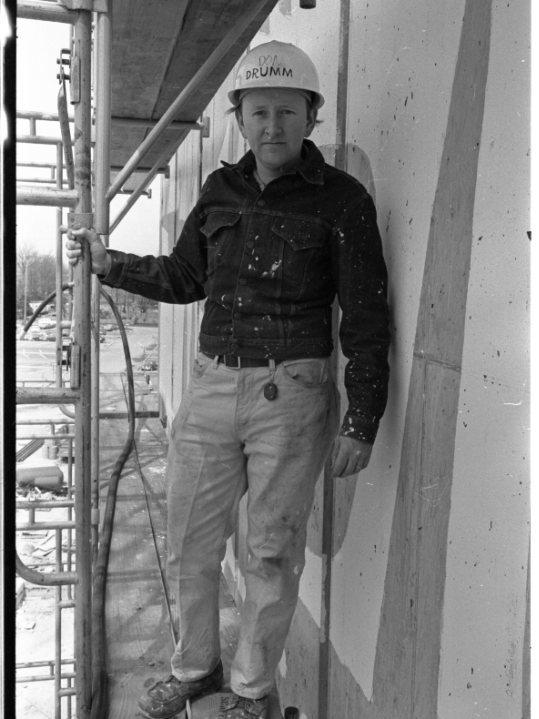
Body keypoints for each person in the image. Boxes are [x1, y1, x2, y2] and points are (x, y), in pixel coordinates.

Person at [66, 40, 390, 719]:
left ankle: (249, 689)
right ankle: (195, 666)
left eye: (287, 111)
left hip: (292, 392)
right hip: (212, 384)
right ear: (240, 117)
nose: (272, 125)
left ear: (311, 117)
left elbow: (363, 316)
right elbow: (183, 277)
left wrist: (361, 417)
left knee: (269, 550)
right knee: (189, 534)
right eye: (259, 111)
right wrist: (106, 263)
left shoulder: (342, 201)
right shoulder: (220, 191)